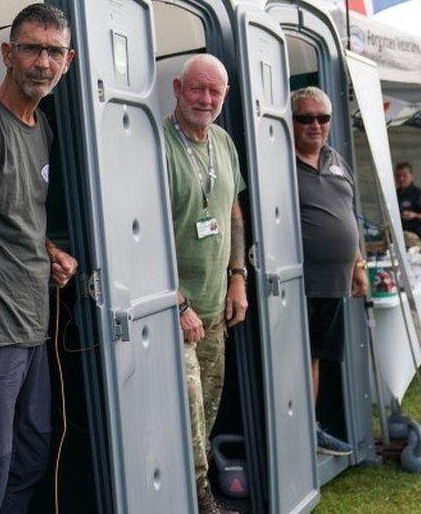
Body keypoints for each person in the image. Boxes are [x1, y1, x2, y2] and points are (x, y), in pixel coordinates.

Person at [0, 3, 78, 513]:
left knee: (30, 451)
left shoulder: (40, 127)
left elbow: (8, 216)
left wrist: (51, 252)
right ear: (8, 53)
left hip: (32, 325)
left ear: (67, 61)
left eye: (53, 52)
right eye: (31, 48)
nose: (42, 62)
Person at [164, 54, 248, 514]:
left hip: (216, 308)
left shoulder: (224, 142)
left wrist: (239, 277)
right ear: (177, 87)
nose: (206, 99)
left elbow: (233, 213)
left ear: (226, 96)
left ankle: (191, 493)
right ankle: (199, 502)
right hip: (177, 313)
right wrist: (177, 303)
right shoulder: (156, 142)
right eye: (198, 88)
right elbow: (142, 231)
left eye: (215, 91)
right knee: (190, 415)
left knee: (208, 412)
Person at [292, 86, 369, 456]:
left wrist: (358, 265)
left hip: (333, 284)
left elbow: (350, 214)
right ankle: (297, 432)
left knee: (315, 356)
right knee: (296, 357)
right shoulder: (279, 163)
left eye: (322, 118)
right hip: (296, 285)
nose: (315, 126)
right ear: (290, 121)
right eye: (305, 118)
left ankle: (309, 430)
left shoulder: (336, 160)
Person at [395, 162, 421, 241]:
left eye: (404, 175)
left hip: (416, 238)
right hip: (397, 237)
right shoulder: (393, 194)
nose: (401, 179)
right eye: (398, 176)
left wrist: (415, 215)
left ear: (411, 176)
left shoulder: (420, 194)